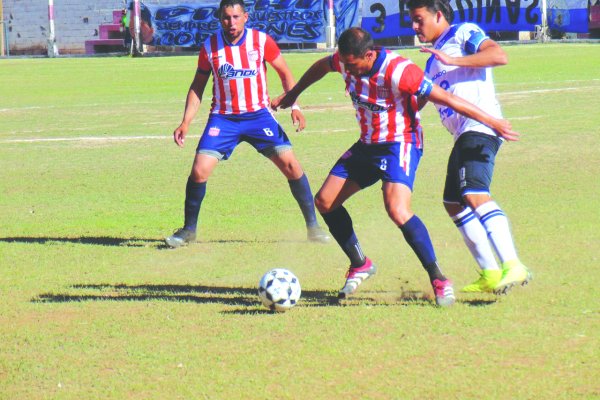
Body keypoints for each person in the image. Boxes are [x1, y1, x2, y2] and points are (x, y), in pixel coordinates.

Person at [272, 27, 520, 306]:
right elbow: (320, 66)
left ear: (369, 54)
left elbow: (448, 98)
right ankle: (360, 263)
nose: (348, 71)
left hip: (401, 144)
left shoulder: (401, 70)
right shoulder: (344, 60)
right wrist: (293, 95)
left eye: (352, 65)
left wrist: (493, 122)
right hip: (367, 144)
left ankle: (438, 278)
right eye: (344, 64)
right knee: (325, 201)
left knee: (397, 210)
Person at [165, 0, 330, 248]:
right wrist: (185, 121)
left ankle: (313, 228)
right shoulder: (210, 47)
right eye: (226, 18)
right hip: (223, 118)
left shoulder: (261, 42)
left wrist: (294, 106)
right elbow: (197, 86)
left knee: (292, 166)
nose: (231, 23)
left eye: (236, 17)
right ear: (220, 18)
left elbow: (285, 73)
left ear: (245, 17)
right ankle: (189, 230)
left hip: (259, 116)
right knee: (199, 170)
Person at [407, 0, 531, 294]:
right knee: (453, 202)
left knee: (474, 193)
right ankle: (489, 272)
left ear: (438, 15)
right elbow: (420, 99)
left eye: (418, 19)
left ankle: (513, 265)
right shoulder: (430, 61)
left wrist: (454, 61)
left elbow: (498, 55)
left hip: (481, 128)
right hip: (462, 135)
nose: (414, 26)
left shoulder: (464, 32)